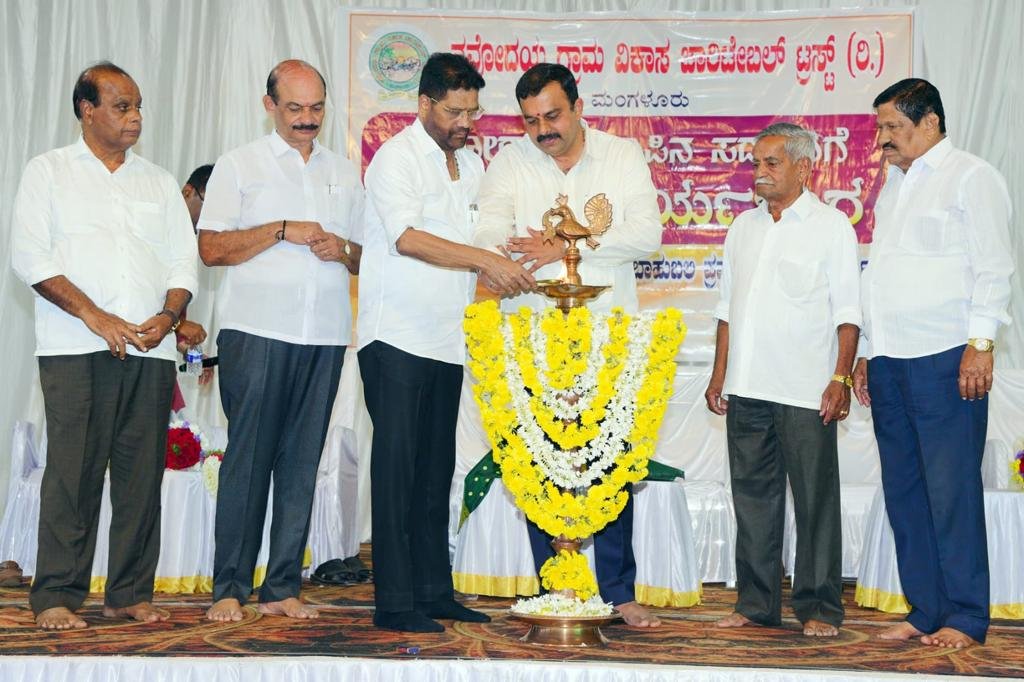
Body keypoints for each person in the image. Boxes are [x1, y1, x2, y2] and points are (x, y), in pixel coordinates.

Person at [10, 61, 199, 630]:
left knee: (142, 477)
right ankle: (57, 596)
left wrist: (168, 316)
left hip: (150, 350)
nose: (135, 116)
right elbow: (30, 257)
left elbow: (182, 261)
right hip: (75, 347)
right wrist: (95, 316)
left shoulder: (158, 181)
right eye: (121, 106)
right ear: (86, 110)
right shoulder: (48, 172)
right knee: (74, 474)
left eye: (138, 105)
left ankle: (129, 593)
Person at [475, 62, 663, 627]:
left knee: (609, 465)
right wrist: (507, 253)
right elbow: (489, 233)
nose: (543, 131)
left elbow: (647, 235)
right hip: (534, 338)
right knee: (540, 462)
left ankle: (618, 591)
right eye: (531, 121)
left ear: (579, 108)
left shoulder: (621, 155)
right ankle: (553, 586)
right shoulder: (510, 162)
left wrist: (563, 246)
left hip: (606, 337)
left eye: (553, 116)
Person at [358, 52, 535, 633]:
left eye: (472, 112)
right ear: (424, 103)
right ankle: (394, 601)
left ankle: (434, 590)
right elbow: (407, 238)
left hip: (447, 340)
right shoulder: (396, 157)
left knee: (435, 471)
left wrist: (517, 255)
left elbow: (482, 238)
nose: (465, 122)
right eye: (454, 112)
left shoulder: (471, 164)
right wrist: (484, 261)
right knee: (398, 473)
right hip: (396, 336)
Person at [197, 59, 363, 622]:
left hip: (325, 336)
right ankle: (229, 587)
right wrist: (281, 230)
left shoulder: (344, 171)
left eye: (316, 108)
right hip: (257, 332)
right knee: (249, 461)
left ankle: (283, 587)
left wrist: (344, 249)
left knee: (301, 463)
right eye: (294, 108)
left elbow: (367, 257)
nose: (306, 119)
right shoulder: (239, 164)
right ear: (269, 105)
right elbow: (211, 248)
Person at [853, 78, 1014, 649]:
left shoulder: (972, 176)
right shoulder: (893, 187)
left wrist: (982, 343)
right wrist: (868, 351)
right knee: (905, 492)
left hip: (947, 357)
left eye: (893, 127)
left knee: (952, 493)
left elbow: (995, 266)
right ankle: (926, 609)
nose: (883, 139)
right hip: (890, 359)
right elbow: (881, 275)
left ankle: (966, 616)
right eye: (880, 127)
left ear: (930, 123)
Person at [704, 122, 860, 638]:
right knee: (752, 499)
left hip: (805, 389)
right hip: (746, 387)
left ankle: (819, 608)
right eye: (756, 162)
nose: (760, 172)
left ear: (804, 167)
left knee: (815, 501)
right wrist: (719, 374)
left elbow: (849, 313)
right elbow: (727, 308)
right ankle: (756, 604)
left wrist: (840, 378)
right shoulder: (742, 227)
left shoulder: (831, 226)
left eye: (772, 163)